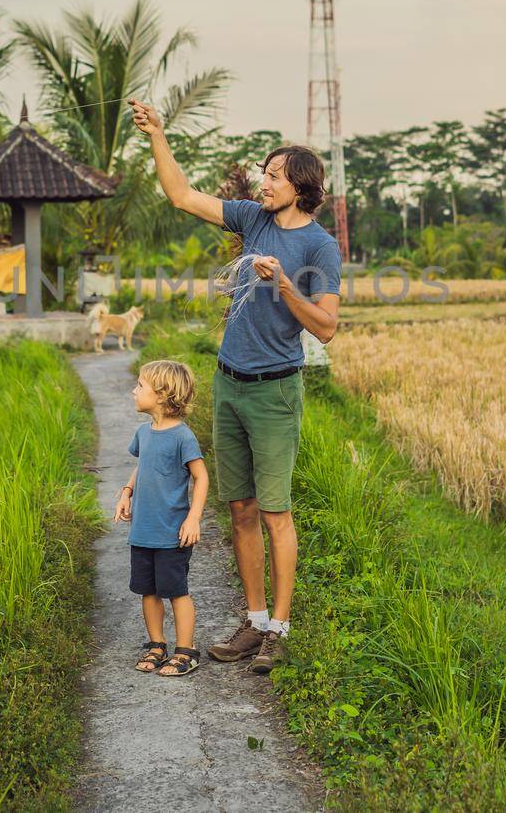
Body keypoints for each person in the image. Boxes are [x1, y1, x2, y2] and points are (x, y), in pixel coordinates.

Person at [129, 98, 341, 676]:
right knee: (241, 508)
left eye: (273, 175)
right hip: (229, 385)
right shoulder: (252, 219)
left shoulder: (319, 247)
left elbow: (327, 326)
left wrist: (285, 287)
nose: (263, 181)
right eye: (264, 174)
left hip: (275, 391)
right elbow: (182, 196)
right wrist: (158, 135)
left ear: (299, 186)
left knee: (275, 512)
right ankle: (252, 621)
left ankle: (280, 628)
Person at [113, 359, 210, 677]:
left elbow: (202, 477)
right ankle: (157, 644)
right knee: (148, 590)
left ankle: (186, 650)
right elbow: (144, 466)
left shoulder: (183, 437)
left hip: (171, 532)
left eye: (140, 385)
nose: (134, 390)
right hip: (143, 529)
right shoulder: (145, 433)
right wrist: (127, 491)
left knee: (176, 590)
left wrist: (193, 518)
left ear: (162, 395)